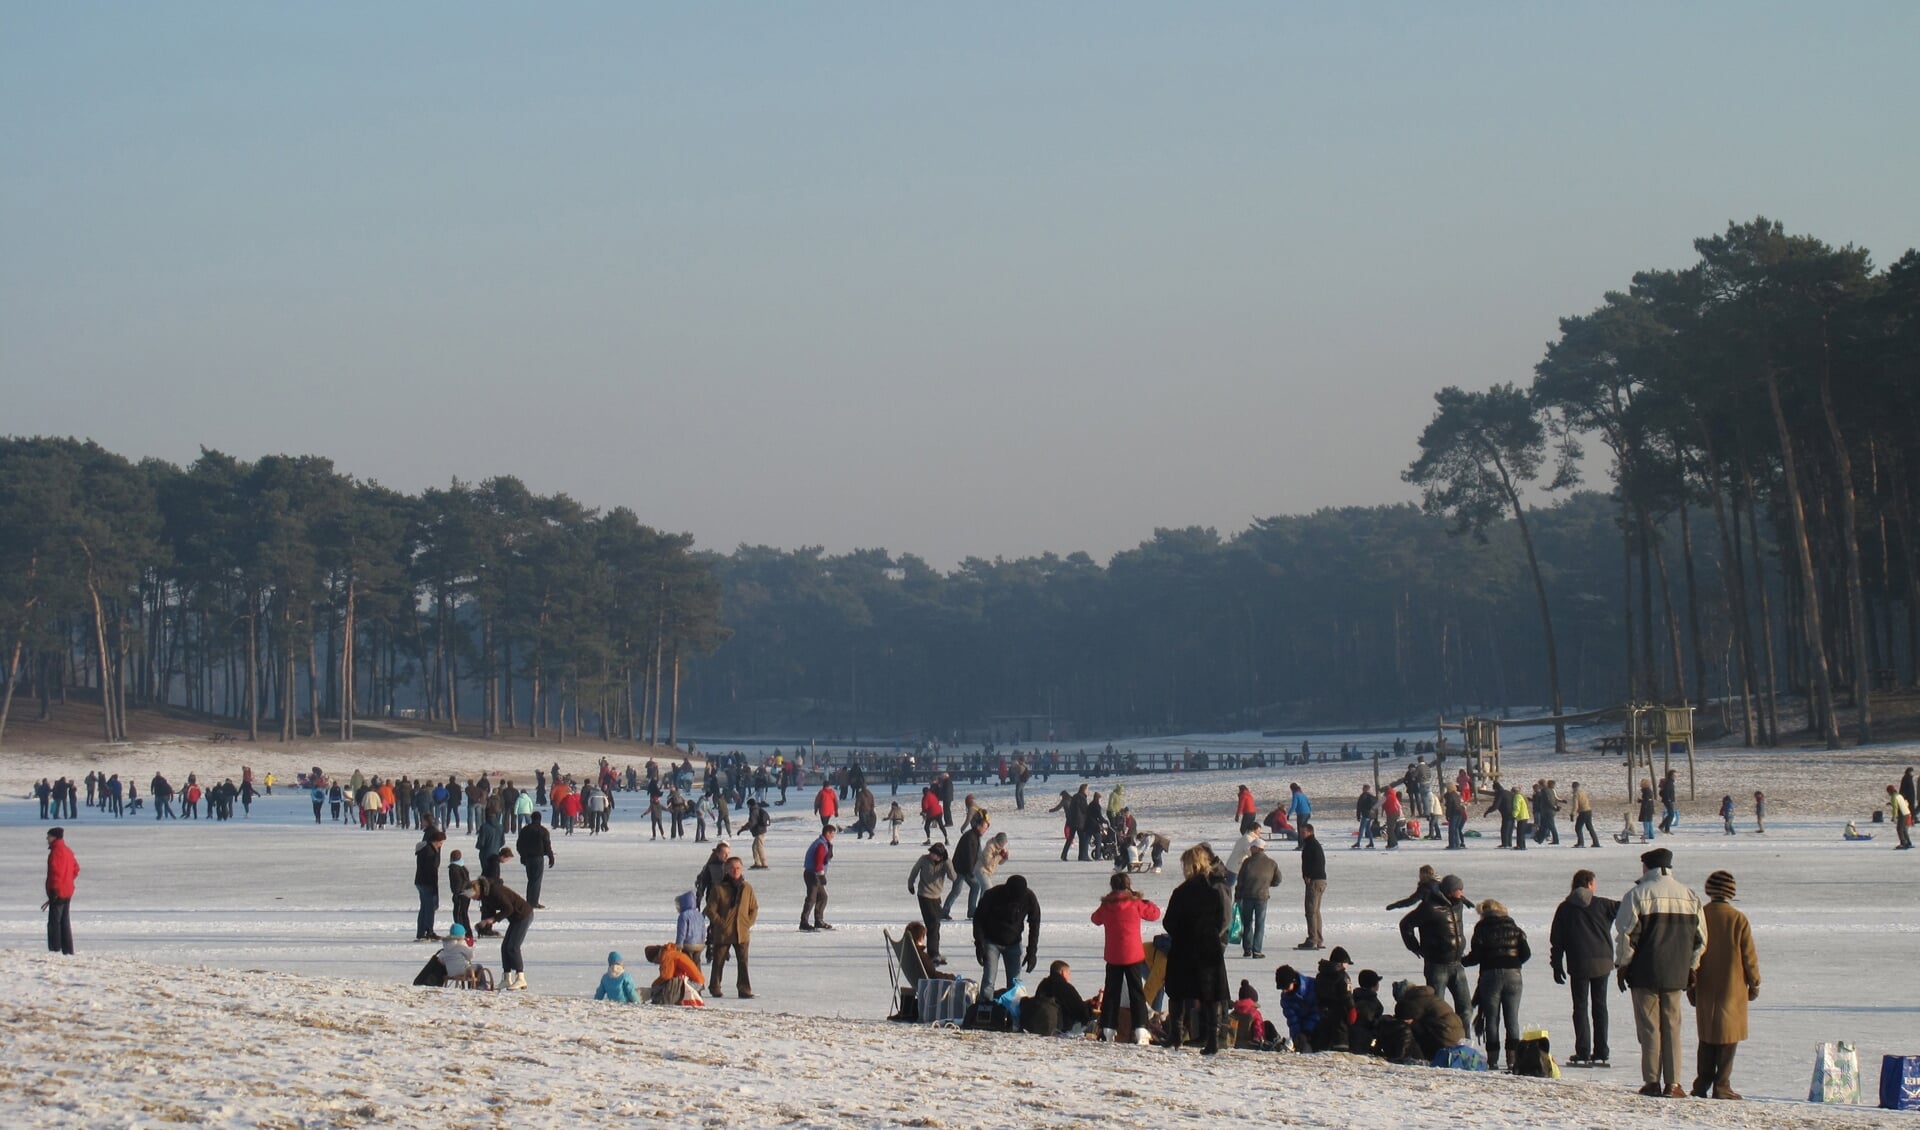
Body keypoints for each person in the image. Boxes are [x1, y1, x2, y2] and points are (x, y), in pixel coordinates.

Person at [1614, 847, 1706, 1098]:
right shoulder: (1689, 896)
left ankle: (1652, 1081)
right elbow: (1700, 939)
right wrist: (1691, 966)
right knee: (1672, 1027)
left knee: (1650, 1029)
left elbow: (1626, 935)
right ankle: (1674, 1084)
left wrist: (1623, 965)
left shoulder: (1637, 894)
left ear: (1647, 867)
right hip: (1676, 973)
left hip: (1644, 972)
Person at [1691, 870, 1759, 1100]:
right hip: (1733, 987)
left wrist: (1690, 983)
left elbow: (1691, 950)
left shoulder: (1700, 916)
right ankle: (1722, 1085)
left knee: (1707, 1037)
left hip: (1704, 984)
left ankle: (1701, 1084)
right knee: (1728, 1039)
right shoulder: (1738, 918)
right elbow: (1748, 956)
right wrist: (1754, 983)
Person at [1163, 844, 1230, 1054]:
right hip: (1209, 949)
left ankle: (1176, 1036)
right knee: (1209, 995)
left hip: (1184, 948)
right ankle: (1212, 1039)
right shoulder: (1214, 890)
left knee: (1178, 994)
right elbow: (1222, 920)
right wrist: (1210, 935)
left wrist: (1183, 934)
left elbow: (1168, 922)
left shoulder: (1181, 892)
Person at [1550, 868, 1619, 1068]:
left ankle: (1583, 1051)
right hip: (1603, 962)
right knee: (1600, 1006)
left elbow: (1557, 939)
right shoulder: (1603, 904)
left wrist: (1556, 964)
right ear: (1589, 884)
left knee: (1580, 1007)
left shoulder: (1565, 908)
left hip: (1578, 962)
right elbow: (1627, 909)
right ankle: (1601, 1051)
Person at [1090, 872, 1161, 1040]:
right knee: (1136, 991)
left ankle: (1108, 1027)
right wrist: (1145, 901)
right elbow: (1155, 914)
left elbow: (1095, 919)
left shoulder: (1107, 905)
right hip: (1133, 955)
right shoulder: (1135, 904)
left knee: (1111, 992)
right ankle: (1140, 1028)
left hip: (1113, 955)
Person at [1462, 898, 1530, 1069]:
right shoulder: (1514, 927)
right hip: (1514, 975)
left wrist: (1461, 961)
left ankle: (1492, 1061)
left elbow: (1476, 956)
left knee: (1492, 1019)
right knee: (1512, 1019)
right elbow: (1526, 953)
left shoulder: (1482, 928)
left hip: (1490, 976)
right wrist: (1514, 963)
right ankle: (1512, 1061)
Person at [1400, 873, 1473, 1027]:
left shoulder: (1458, 904)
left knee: (1466, 1010)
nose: (1462, 893)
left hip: (1457, 964)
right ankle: (1437, 1043)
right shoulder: (1430, 908)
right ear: (1449, 891)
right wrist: (1414, 946)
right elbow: (1406, 924)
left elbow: (1460, 900)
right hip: (1437, 966)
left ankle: (1466, 1044)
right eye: (1459, 890)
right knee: (1436, 1010)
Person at [973, 874, 1041, 996]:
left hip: (1014, 943)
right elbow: (978, 919)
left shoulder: (1029, 898)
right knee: (989, 980)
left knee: (1014, 982)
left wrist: (1032, 952)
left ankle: (1011, 1011)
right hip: (991, 942)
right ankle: (985, 1009)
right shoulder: (992, 895)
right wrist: (979, 944)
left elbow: (1034, 924)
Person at [705, 855, 759, 998]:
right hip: (723, 933)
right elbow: (710, 910)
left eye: (738, 868)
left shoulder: (747, 888)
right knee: (718, 961)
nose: (736, 871)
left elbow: (754, 908)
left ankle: (744, 989)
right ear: (726, 870)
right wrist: (721, 923)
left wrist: (747, 923)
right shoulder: (718, 888)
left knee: (743, 963)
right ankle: (715, 986)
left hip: (742, 933)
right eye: (732, 868)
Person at [470, 876, 535, 991]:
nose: (472, 899)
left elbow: (508, 909)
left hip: (523, 914)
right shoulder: (485, 897)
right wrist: (484, 925)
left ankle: (521, 977)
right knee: (505, 947)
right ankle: (506, 978)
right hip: (515, 918)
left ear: (477, 890)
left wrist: (494, 919)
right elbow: (489, 913)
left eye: (472, 895)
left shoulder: (495, 891)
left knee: (513, 947)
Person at [908, 842, 957, 965]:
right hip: (924, 895)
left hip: (936, 897)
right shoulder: (924, 859)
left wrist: (948, 863)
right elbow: (914, 871)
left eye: (934, 854)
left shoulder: (945, 862)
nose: (931, 855)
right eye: (931, 853)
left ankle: (934, 953)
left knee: (935, 925)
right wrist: (910, 884)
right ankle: (933, 953)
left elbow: (953, 877)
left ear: (940, 856)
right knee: (933, 923)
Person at [1234, 838, 1281, 959]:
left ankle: (1247, 949)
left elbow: (1240, 880)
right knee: (1260, 924)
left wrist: (1237, 895)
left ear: (1256, 848)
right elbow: (1278, 880)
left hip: (1247, 896)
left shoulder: (1247, 862)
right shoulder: (1271, 863)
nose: (1250, 849)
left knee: (1247, 922)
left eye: (1252, 847)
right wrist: (1267, 884)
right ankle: (1257, 950)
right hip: (1262, 897)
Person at [1031, 960, 1095, 1033]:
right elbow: (1079, 1009)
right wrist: (1091, 1008)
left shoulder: (1043, 984)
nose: (1069, 976)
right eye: (1069, 973)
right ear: (1063, 972)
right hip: (1061, 1025)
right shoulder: (1064, 987)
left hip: (1039, 1021)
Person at [43, 827, 78, 955]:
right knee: (64, 921)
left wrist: (55, 889)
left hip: (58, 892)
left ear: (55, 837)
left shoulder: (56, 852)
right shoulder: (68, 851)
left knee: (54, 922)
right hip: (67, 890)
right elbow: (76, 869)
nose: (47, 839)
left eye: (49, 836)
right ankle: (68, 950)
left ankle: (55, 949)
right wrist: (67, 881)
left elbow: (55, 873)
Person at [946, 812, 988, 920]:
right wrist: (971, 871)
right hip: (961, 869)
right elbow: (969, 855)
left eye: (986, 828)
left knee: (975, 886)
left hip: (965, 868)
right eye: (984, 828)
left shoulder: (975, 836)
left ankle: (972, 911)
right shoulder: (971, 837)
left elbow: (977, 855)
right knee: (957, 890)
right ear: (978, 826)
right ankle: (945, 911)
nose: (985, 830)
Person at [799, 825, 836, 931]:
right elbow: (818, 862)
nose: (833, 837)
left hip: (814, 874)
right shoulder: (820, 845)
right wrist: (821, 875)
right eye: (832, 834)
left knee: (823, 897)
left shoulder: (823, 843)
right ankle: (803, 922)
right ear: (827, 833)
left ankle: (818, 920)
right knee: (811, 898)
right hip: (812, 874)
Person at [1296, 822, 1326, 950]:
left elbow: (1315, 863)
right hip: (1320, 880)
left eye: (1304, 832)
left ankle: (1313, 939)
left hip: (1315, 881)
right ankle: (1318, 939)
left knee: (1311, 911)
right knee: (1316, 911)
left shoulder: (1311, 845)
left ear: (1310, 832)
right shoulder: (1313, 844)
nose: (1302, 835)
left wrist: (1308, 875)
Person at [515, 812, 555, 908]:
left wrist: (522, 855)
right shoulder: (543, 831)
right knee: (536, 880)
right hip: (538, 857)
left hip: (528, 858)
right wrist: (550, 856)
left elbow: (519, 845)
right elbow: (547, 845)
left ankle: (529, 901)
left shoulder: (525, 830)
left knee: (531, 880)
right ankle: (533, 902)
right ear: (540, 819)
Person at [413, 827, 445, 941]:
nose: (441, 845)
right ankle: (428, 931)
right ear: (436, 841)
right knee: (429, 908)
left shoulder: (425, 849)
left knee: (424, 907)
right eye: (441, 843)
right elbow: (431, 870)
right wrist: (434, 887)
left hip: (420, 881)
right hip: (427, 882)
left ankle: (421, 932)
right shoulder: (430, 852)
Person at [1570, 781, 1599, 848]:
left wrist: (1572, 814)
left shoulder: (1576, 794)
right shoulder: (1582, 792)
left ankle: (1581, 843)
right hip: (1588, 810)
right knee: (1590, 828)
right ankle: (1596, 842)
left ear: (1573, 787)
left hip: (1583, 812)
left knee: (1578, 828)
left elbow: (1575, 806)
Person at [1887, 784, 1914, 850]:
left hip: (1903, 814)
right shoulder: (1899, 795)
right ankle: (1908, 843)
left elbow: (1895, 808)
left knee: (1899, 829)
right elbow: (1903, 803)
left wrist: (1894, 817)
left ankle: (1903, 844)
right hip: (1907, 812)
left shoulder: (1893, 797)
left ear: (1889, 791)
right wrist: (1891, 804)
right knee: (1904, 829)